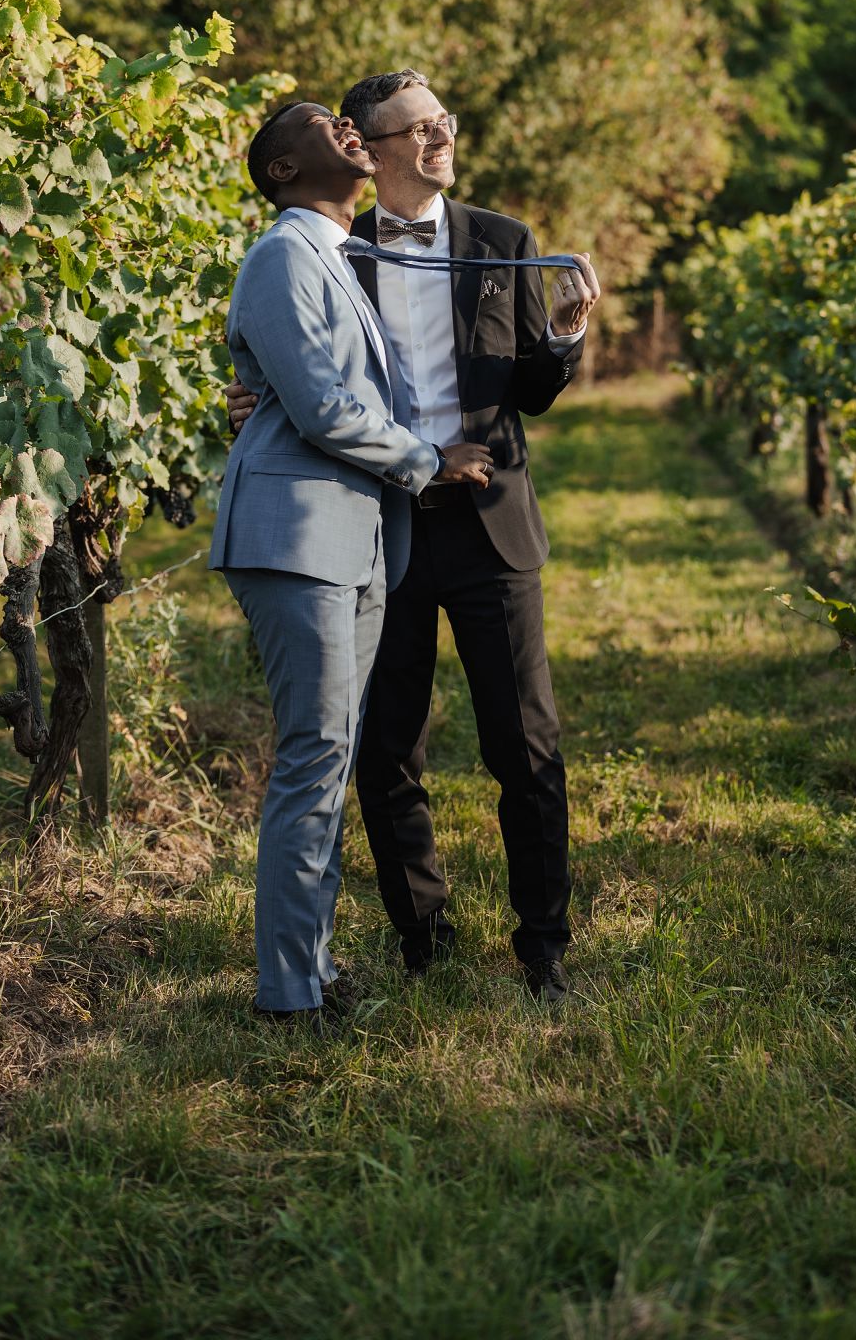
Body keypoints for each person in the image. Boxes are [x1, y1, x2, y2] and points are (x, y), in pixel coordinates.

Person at [228, 71, 600, 1004]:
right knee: (385, 749)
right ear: (370, 143)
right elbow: (304, 370)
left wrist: (560, 340)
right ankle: (422, 931)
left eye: (445, 123)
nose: (440, 138)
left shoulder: (501, 243)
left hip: (488, 524)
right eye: (418, 128)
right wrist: (260, 395)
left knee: (526, 743)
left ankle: (543, 945)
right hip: (376, 519)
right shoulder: (330, 247)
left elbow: (527, 391)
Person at [210, 99, 492, 1031]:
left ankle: (313, 970)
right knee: (313, 759)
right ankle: (288, 995)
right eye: (315, 122)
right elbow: (326, 408)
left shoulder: (337, 256)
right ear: (282, 170)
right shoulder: (284, 255)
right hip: (298, 536)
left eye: (346, 118)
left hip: (354, 535)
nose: (343, 126)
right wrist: (428, 459)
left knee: (329, 761)